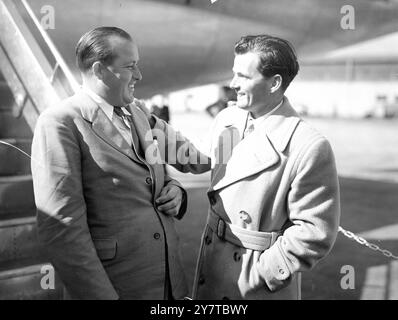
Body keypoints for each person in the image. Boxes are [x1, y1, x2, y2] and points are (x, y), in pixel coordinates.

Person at [148, 34, 340, 300]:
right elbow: (203, 159)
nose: (233, 84)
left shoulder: (307, 145)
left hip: (255, 284)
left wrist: (259, 276)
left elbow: (313, 233)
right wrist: (149, 125)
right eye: (233, 74)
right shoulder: (230, 119)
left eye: (244, 77)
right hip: (213, 263)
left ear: (274, 83)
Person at [30, 26, 208, 300]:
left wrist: (176, 190)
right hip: (117, 289)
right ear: (100, 70)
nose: (139, 75)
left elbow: (188, 161)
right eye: (130, 66)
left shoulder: (137, 112)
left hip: (169, 287)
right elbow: (62, 230)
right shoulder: (61, 122)